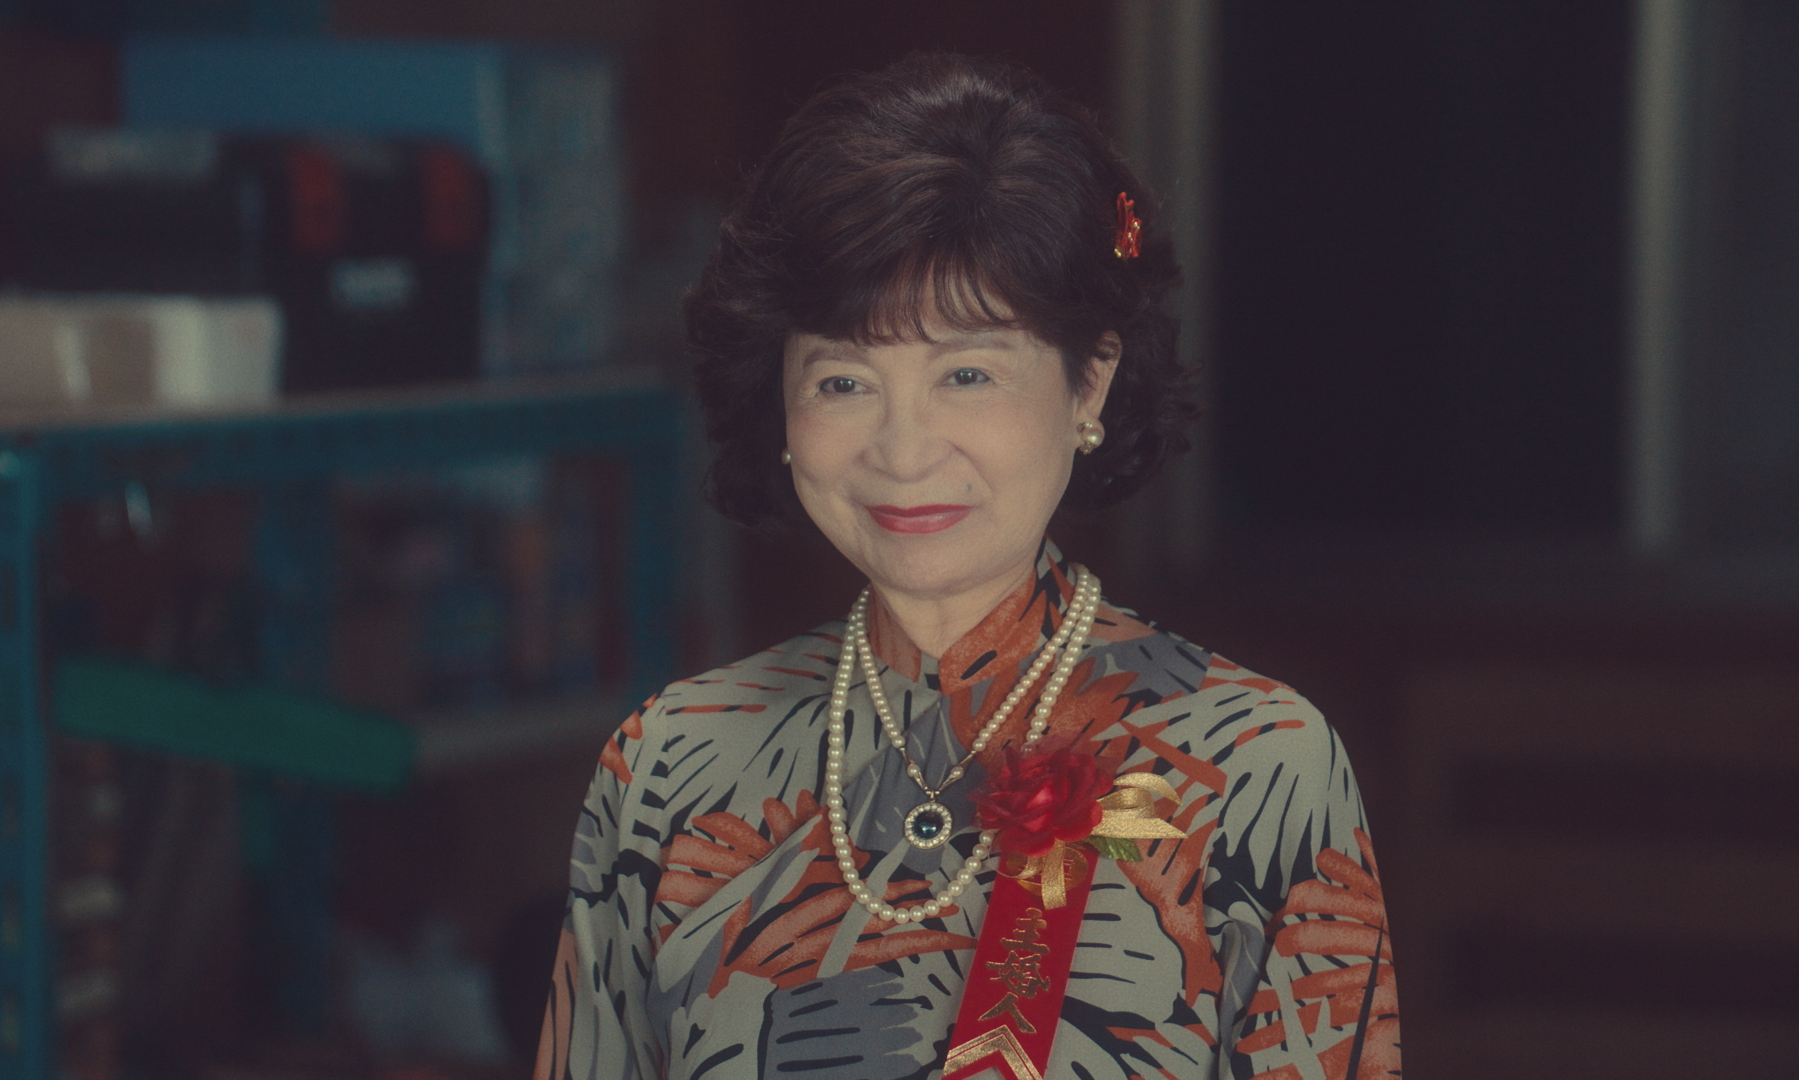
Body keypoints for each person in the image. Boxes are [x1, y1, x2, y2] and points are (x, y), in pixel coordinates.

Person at [535, 53, 1400, 1080]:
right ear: (780, 403)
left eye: (969, 373)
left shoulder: (1257, 767)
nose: (903, 451)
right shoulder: (670, 764)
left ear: (1090, 383)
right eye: (844, 380)